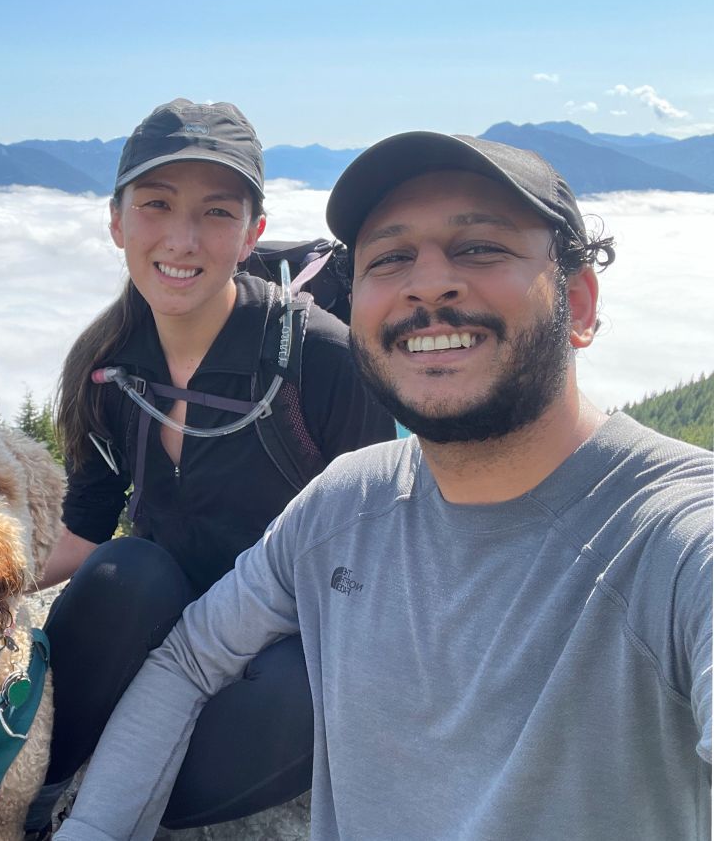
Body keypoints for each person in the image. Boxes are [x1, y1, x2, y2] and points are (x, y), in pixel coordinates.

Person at [54, 132, 713, 840]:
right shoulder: (344, 505)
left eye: (480, 248)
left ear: (578, 303)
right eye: (391, 258)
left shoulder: (672, 537)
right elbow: (188, 658)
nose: (428, 283)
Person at [24, 99, 395, 833]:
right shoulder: (108, 368)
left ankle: (158, 806)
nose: (182, 239)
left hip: (278, 640)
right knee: (128, 574)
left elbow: (382, 546)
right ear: (117, 222)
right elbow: (86, 530)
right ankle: (40, 787)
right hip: (160, 624)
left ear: (253, 231)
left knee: (311, 684)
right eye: (156, 205)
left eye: (216, 213)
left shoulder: (320, 360)